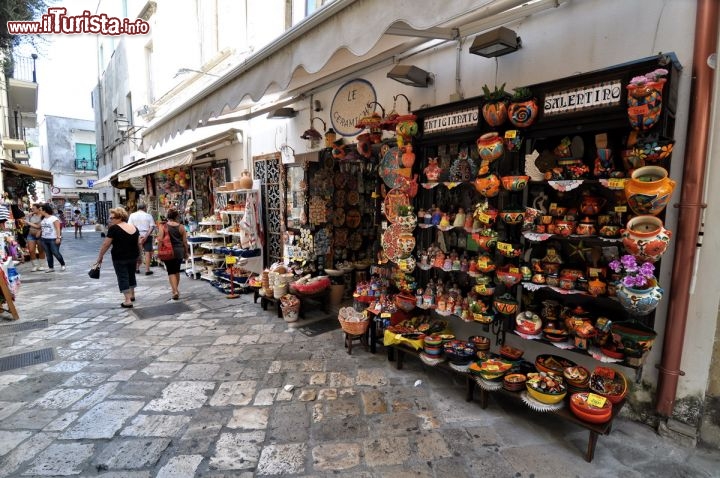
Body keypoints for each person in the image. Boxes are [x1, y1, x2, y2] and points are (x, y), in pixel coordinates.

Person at [95, 207, 139, 308]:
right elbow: (138, 244)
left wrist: (100, 256)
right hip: (133, 256)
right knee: (131, 274)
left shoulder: (114, 228)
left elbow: (106, 244)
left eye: (112, 217)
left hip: (120, 257)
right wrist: (140, 256)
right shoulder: (134, 228)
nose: (111, 220)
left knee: (123, 276)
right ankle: (132, 294)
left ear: (119, 217)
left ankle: (127, 300)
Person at [156, 208, 189, 300]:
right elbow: (185, 242)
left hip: (168, 251)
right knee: (177, 270)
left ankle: (174, 291)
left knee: (171, 271)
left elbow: (160, 240)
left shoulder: (163, 226)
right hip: (179, 251)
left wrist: (159, 252)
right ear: (176, 216)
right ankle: (176, 289)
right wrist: (186, 252)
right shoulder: (181, 227)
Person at [128, 203, 155, 275]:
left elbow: (130, 226)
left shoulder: (132, 215)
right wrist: (145, 236)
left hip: (136, 235)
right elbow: (152, 227)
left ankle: (137, 268)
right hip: (147, 235)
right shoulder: (148, 215)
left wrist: (138, 235)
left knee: (137, 252)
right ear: (145, 208)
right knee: (147, 252)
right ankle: (147, 270)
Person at [38, 203, 67, 273]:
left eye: (40, 210)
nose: (39, 211)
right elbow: (42, 228)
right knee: (48, 254)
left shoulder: (54, 218)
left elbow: (58, 228)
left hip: (53, 238)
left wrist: (58, 237)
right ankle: (51, 267)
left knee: (55, 252)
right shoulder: (43, 219)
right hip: (44, 239)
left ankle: (62, 264)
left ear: (44, 210)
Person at [25, 204, 46, 271]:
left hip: (39, 235)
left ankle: (42, 265)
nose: (32, 210)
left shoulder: (42, 216)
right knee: (31, 250)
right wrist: (27, 216)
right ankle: (35, 266)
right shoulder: (31, 215)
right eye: (32, 208)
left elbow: (39, 226)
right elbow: (26, 224)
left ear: (38, 209)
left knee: (41, 250)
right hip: (30, 234)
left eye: (34, 208)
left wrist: (29, 223)